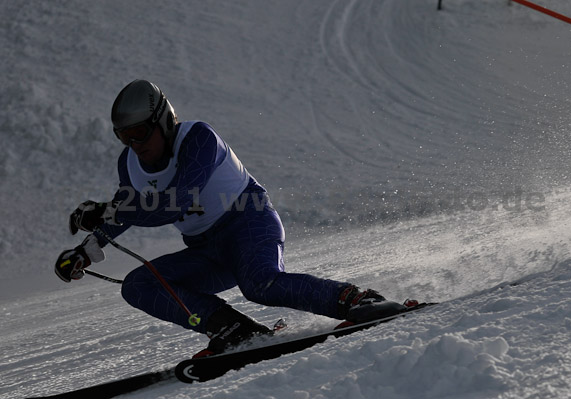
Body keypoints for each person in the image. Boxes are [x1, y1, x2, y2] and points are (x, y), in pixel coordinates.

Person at [55, 79, 410, 356]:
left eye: (140, 133)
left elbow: (177, 201)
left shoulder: (198, 138)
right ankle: (237, 333)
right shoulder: (129, 163)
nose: (134, 144)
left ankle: (360, 301)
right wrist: (87, 249)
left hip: (248, 224)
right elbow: (125, 206)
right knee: (138, 285)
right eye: (123, 136)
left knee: (260, 284)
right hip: (207, 249)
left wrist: (108, 212)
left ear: (163, 120)